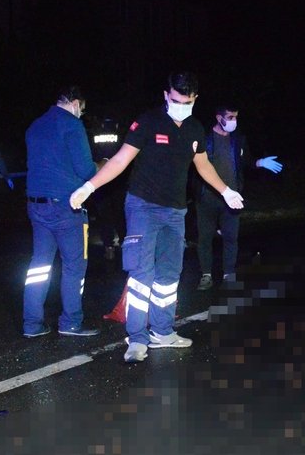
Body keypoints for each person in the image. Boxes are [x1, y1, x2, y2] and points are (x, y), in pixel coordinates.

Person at [69, 72, 245, 363]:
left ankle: (162, 332)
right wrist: (89, 186)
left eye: (187, 102)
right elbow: (121, 160)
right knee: (141, 275)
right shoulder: (148, 122)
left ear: (195, 100)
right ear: (166, 96)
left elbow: (202, 166)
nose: (181, 105)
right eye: (176, 100)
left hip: (176, 211)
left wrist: (226, 191)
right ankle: (137, 338)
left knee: (168, 275)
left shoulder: (195, 129)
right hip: (143, 207)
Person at [22, 86, 99, 338]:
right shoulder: (72, 125)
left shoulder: (35, 125)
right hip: (67, 207)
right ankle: (71, 323)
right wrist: (104, 165)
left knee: (39, 266)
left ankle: (32, 324)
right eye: (82, 109)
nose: (81, 114)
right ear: (75, 103)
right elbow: (87, 170)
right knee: (74, 266)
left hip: (36, 205)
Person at [195, 105, 283, 290]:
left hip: (233, 197)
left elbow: (247, 162)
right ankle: (206, 275)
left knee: (231, 237)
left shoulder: (238, 140)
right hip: (207, 198)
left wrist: (260, 162)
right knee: (205, 238)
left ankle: (228, 273)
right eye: (230, 117)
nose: (234, 121)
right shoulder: (204, 138)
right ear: (219, 117)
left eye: (236, 117)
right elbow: (195, 167)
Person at [88, 117, 127, 262]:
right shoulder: (121, 136)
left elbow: (91, 157)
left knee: (104, 217)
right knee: (121, 215)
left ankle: (108, 248)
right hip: (119, 182)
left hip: (101, 181)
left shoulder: (95, 136)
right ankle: (124, 244)